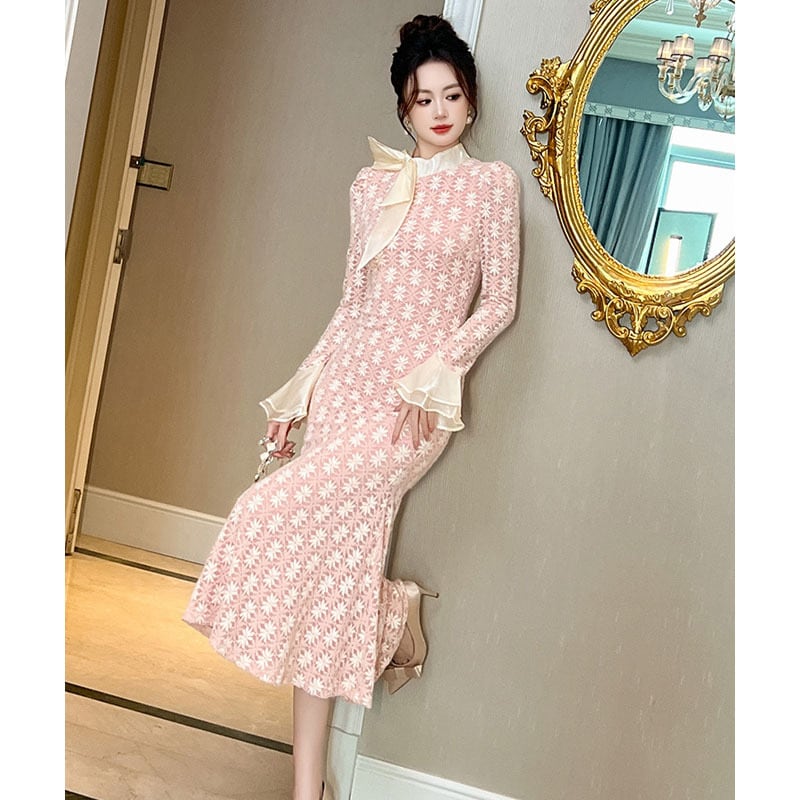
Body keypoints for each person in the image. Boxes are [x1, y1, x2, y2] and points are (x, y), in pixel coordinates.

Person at [183, 13, 520, 800]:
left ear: (471, 99)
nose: (439, 111)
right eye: (423, 98)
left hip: (412, 405)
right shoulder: (370, 186)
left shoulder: (491, 185)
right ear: (403, 108)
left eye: (452, 94)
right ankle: (310, 786)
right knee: (322, 569)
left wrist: (439, 371)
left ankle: (393, 614)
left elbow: (499, 302)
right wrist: (298, 394)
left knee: (295, 528)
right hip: (347, 384)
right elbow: (349, 305)